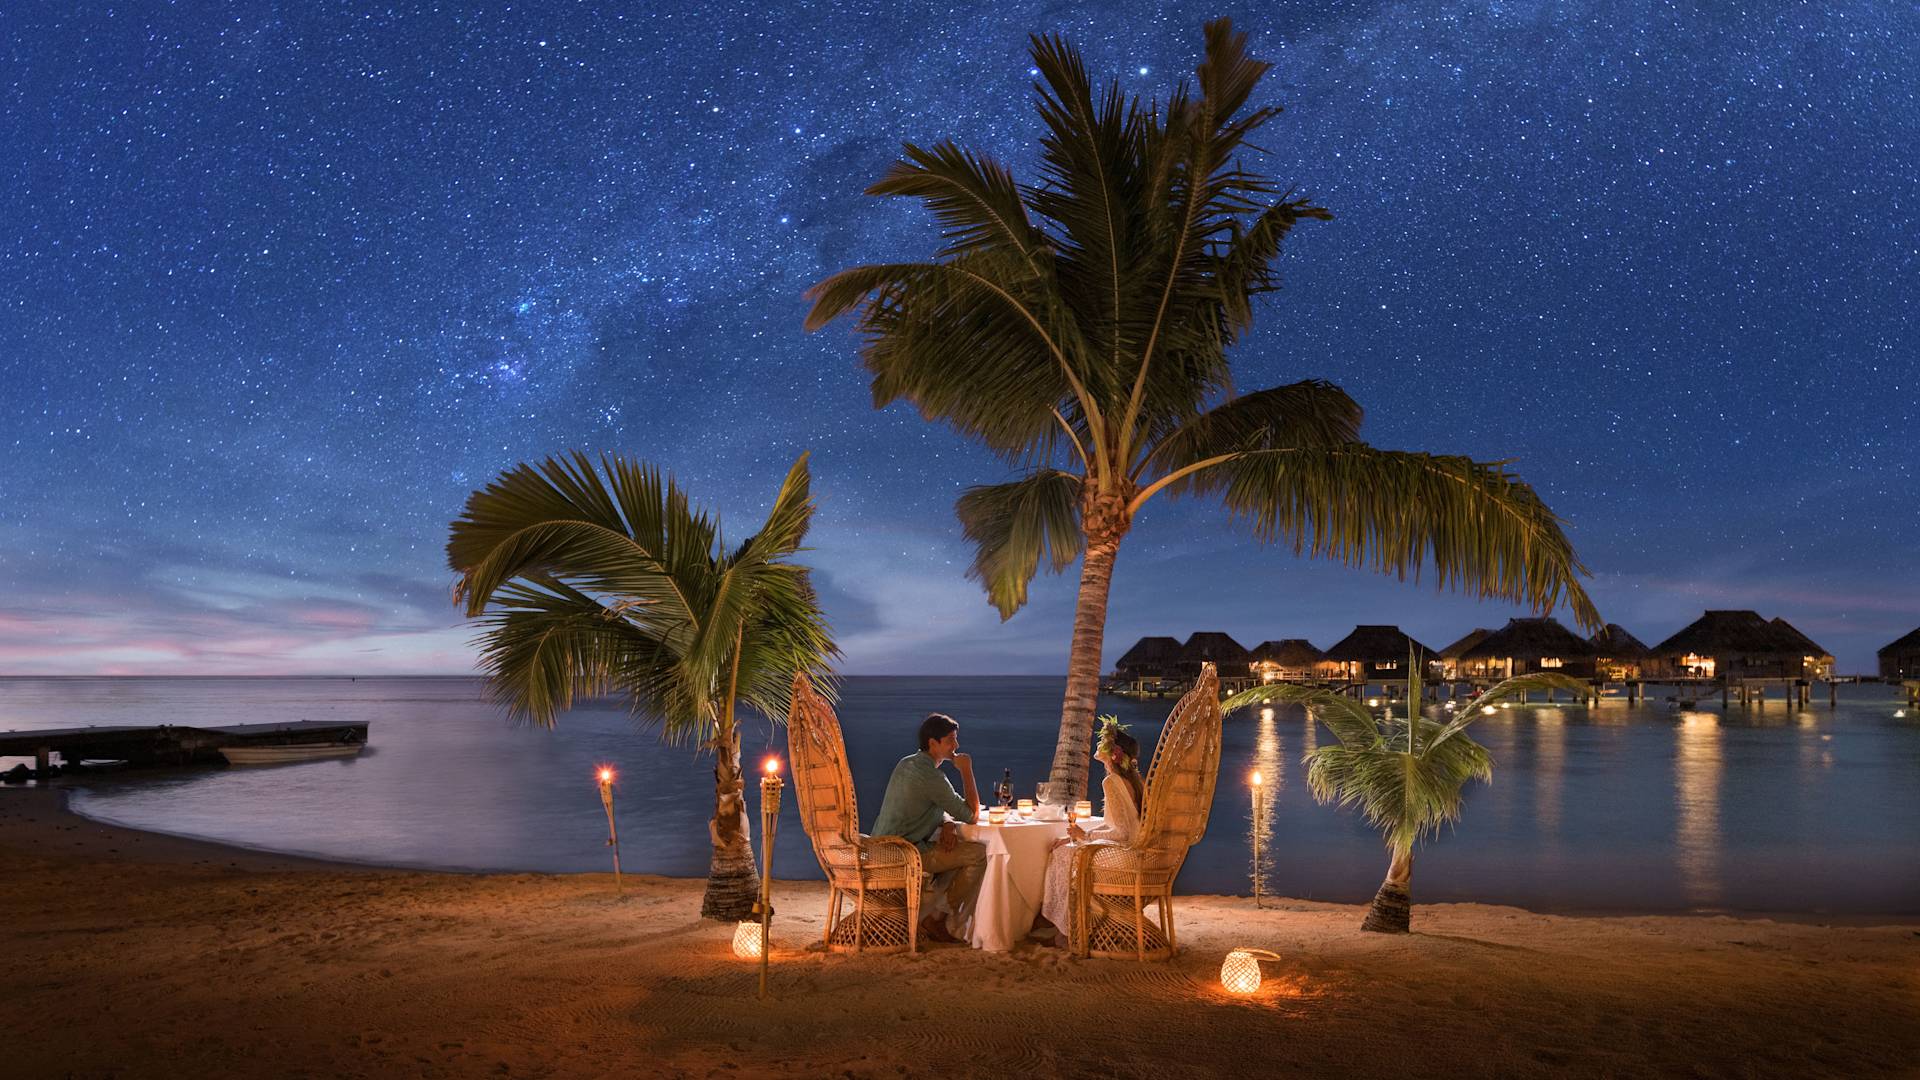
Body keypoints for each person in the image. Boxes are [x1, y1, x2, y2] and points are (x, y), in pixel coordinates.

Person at [871, 712, 984, 945]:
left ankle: (930, 912)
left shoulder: (906, 763)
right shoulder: (932, 776)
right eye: (951, 740)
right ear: (933, 743)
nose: (957, 745)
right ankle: (938, 918)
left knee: (953, 851)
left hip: (879, 846)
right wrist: (966, 770)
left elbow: (931, 803)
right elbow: (972, 815)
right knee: (978, 855)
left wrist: (948, 823)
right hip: (904, 855)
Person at [1033, 717, 1143, 946]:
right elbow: (1116, 824)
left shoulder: (1111, 782)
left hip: (1122, 854)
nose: (1098, 743)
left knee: (1062, 856)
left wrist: (1085, 837)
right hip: (1132, 849)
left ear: (1114, 752)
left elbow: (1121, 832)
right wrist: (1074, 836)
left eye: (1103, 741)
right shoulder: (1132, 781)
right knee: (1066, 848)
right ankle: (1062, 923)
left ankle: (1064, 929)